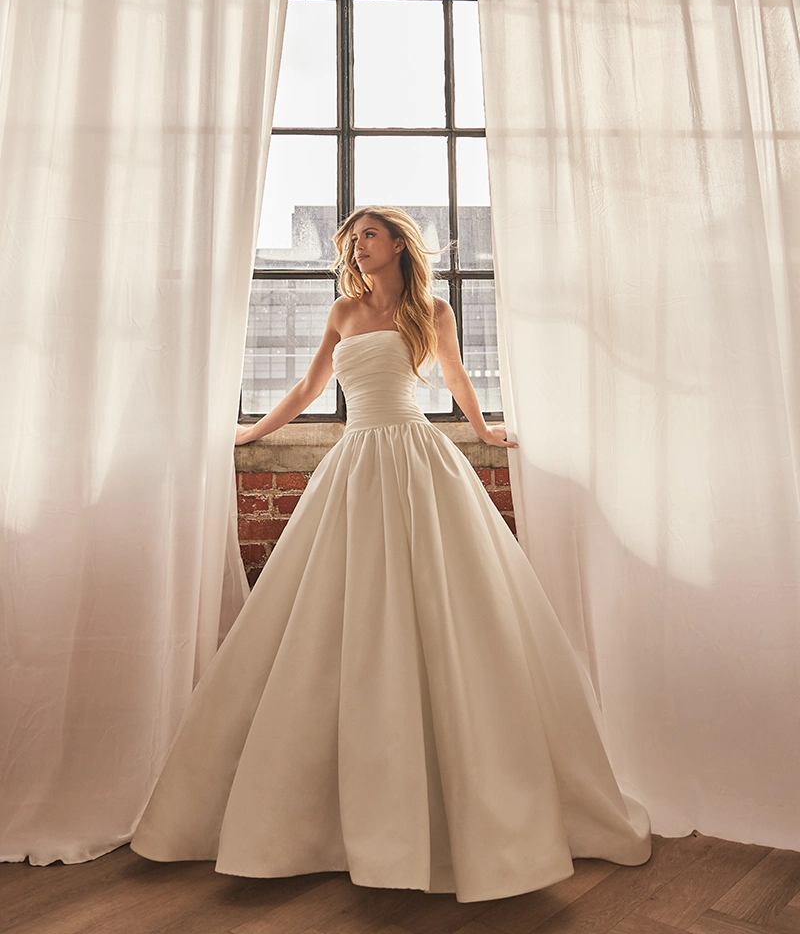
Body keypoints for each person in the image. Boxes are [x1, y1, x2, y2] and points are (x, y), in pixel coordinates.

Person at [131, 206, 650, 903]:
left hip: (413, 457)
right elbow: (312, 389)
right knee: (329, 617)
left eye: (368, 237)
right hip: (355, 463)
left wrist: (482, 427)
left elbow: (457, 377)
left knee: (441, 605)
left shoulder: (430, 310)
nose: (357, 248)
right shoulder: (343, 311)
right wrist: (247, 432)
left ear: (399, 245)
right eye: (352, 241)